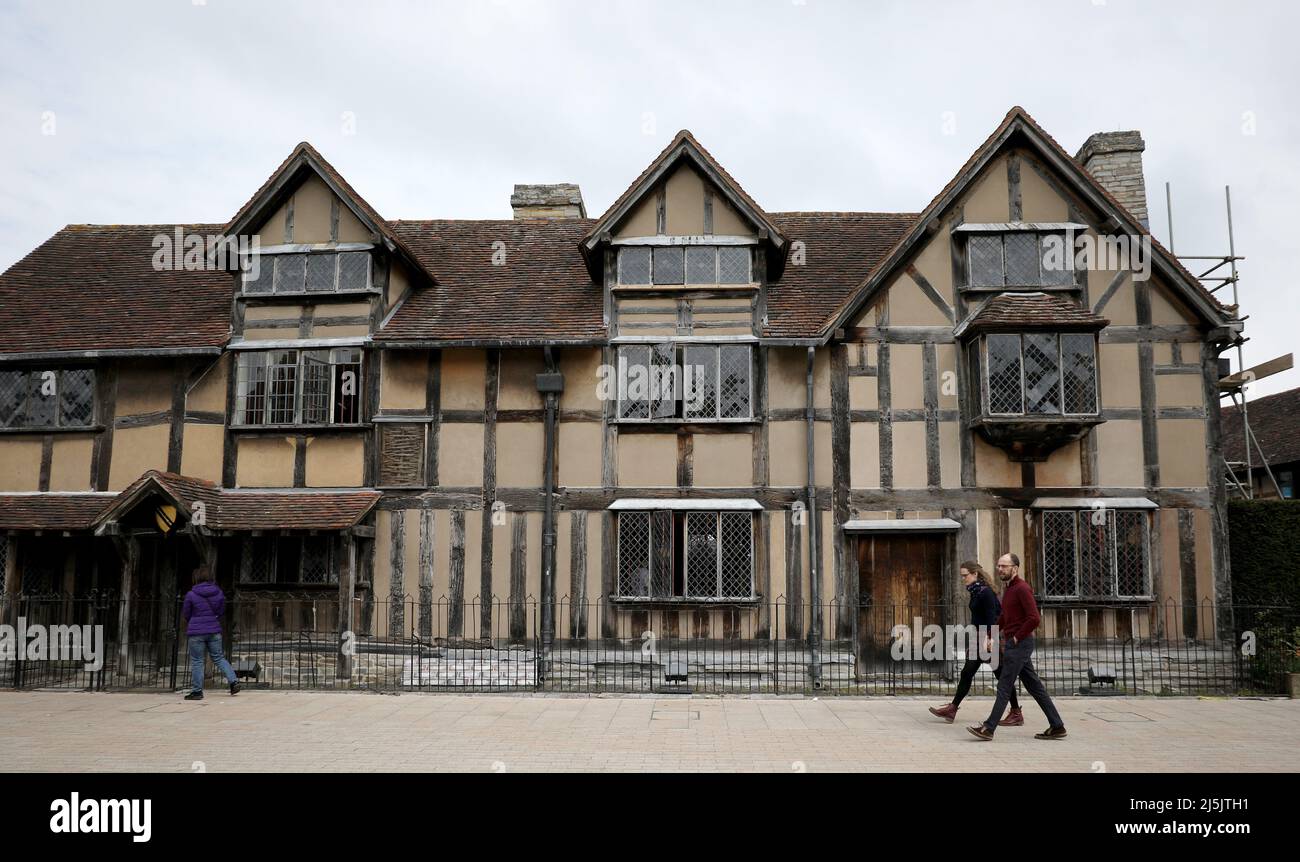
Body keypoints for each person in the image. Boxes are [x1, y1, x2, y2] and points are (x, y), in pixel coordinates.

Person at [967, 553, 1066, 741]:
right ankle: (1057, 726)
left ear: (1015, 568)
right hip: (1017, 644)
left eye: (1004, 566)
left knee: (1004, 685)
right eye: (998, 566)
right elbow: (1004, 616)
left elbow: (1034, 619)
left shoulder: (1022, 589)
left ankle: (988, 728)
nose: (1000, 569)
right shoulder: (1009, 589)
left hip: (1019, 644)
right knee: (1035, 687)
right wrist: (991, 634)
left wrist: (1015, 639)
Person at [927, 561, 1021, 725]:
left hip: (987, 637)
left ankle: (1015, 712)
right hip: (979, 636)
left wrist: (989, 639)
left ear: (975, 574)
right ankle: (952, 708)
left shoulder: (985, 593)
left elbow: (993, 617)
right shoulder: (976, 591)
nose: (963, 578)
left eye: (965, 575)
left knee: (1000, 675)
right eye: (962, 575)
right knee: (968, 672)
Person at [181, 566, 240, 700]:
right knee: (219, 658)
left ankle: (197, 692)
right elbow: (220, 611)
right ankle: (234, 681)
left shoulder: (191, 594)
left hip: (196, 632)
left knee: (197, 661)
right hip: (213, 630)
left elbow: (186, 613)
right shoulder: (218, 592)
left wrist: (195, 621)